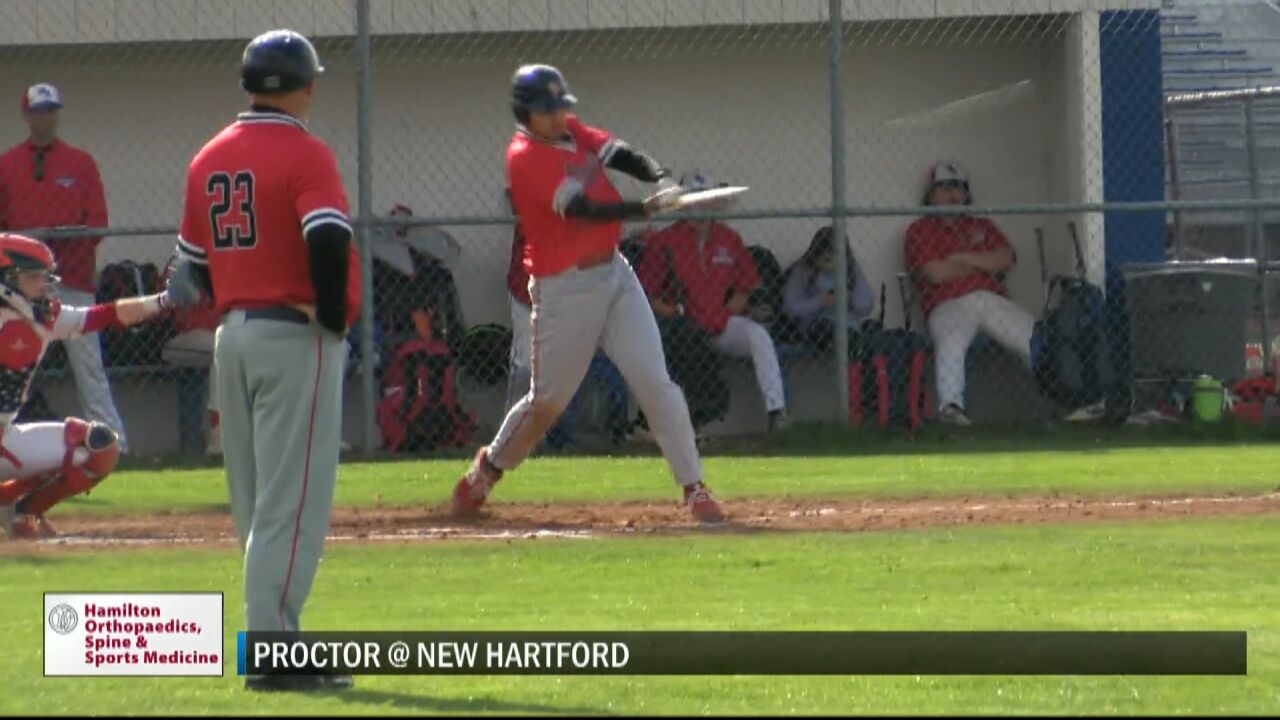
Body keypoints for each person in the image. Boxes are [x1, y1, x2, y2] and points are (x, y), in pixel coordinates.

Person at [168, 29, 360, 693]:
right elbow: (329, 236)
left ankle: (277, 641)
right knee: (292, 503)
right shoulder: (306, 152)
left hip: (234, 338)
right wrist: (333, 318)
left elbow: (187, 272)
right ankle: (274, 655)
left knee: (256, 505)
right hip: (292, 336)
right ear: (301, 85)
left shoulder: (208, 156)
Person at [451, 63, 724, 524]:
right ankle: (487, 469)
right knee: (547, 402)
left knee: (655, 382)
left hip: (615, 275)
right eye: (547, 110)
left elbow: (618, 153)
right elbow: (582, 209)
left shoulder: (571, 130)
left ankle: (694, 488)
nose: (558, 116)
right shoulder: (524, 157)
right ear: (525, 112)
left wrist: (661, 178)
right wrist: (644, 207)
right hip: (566, 288)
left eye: (561, 106)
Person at [0, 234, 174, 537]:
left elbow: (103, 315)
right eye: (32, 277)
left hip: (5, 438)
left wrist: (163, 300)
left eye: (43, 276)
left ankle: (22, 513)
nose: (43, 285)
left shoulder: (45, 318)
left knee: (98, 446)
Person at [0, 83, 130, 452]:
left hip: (70, 277)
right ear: (26, 115)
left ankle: (114, 445)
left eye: (52, 110)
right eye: (39, 111)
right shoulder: (7, 165)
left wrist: (58, 257)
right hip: (16, 291)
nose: (46, 118)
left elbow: (96, 223)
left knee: (89, 367)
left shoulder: (80, 162)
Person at [640, 173, 790, 432]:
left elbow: (745, 289)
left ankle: (777, 412)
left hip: (720, 324)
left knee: (758, 336)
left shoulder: (729, 239)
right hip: (683, 330)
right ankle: (674, 424)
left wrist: (721, 315)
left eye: (706, 202)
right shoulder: (664, 241)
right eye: (693, 202)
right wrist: (673, 313)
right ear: (682, 204)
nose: (700, 209)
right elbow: (646, 296)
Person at [904, 161, 1041, 426]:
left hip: (990, 301)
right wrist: (981, 263)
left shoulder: (982, 225)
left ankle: (1063, 398)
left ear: (966, 194)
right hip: (947, 303)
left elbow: (1006, 259)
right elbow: (935, 273)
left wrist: (962, 258)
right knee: (952, 339)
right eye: (943, 188)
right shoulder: (920, 229)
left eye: (957, 188)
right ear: (930, 195)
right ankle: (951, 409)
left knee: (1030, 334)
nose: (952, 195)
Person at [782, 225, 876, 353]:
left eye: (833, 251)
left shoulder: (851, 270)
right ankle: (836, 342)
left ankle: (849, 343)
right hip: (816, 326)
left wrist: (849, 299)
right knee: (822, 328)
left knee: (852, 332)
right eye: (822, 252)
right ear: (814, 253)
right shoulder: (803, 271)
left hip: (847, 325)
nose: (827, 254)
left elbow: (867, 305)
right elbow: (789, 307)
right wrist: (819, 301)